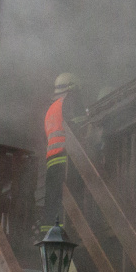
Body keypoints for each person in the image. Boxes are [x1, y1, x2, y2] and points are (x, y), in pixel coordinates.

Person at [40, 72, 84, 234]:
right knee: (74, 192)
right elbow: (80, 126)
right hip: (65, 156)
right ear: (72, 88)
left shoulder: (51, 109)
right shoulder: (70, 101)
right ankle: (69, 230)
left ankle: (48, 233)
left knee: (52, 198)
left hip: (51, 158)